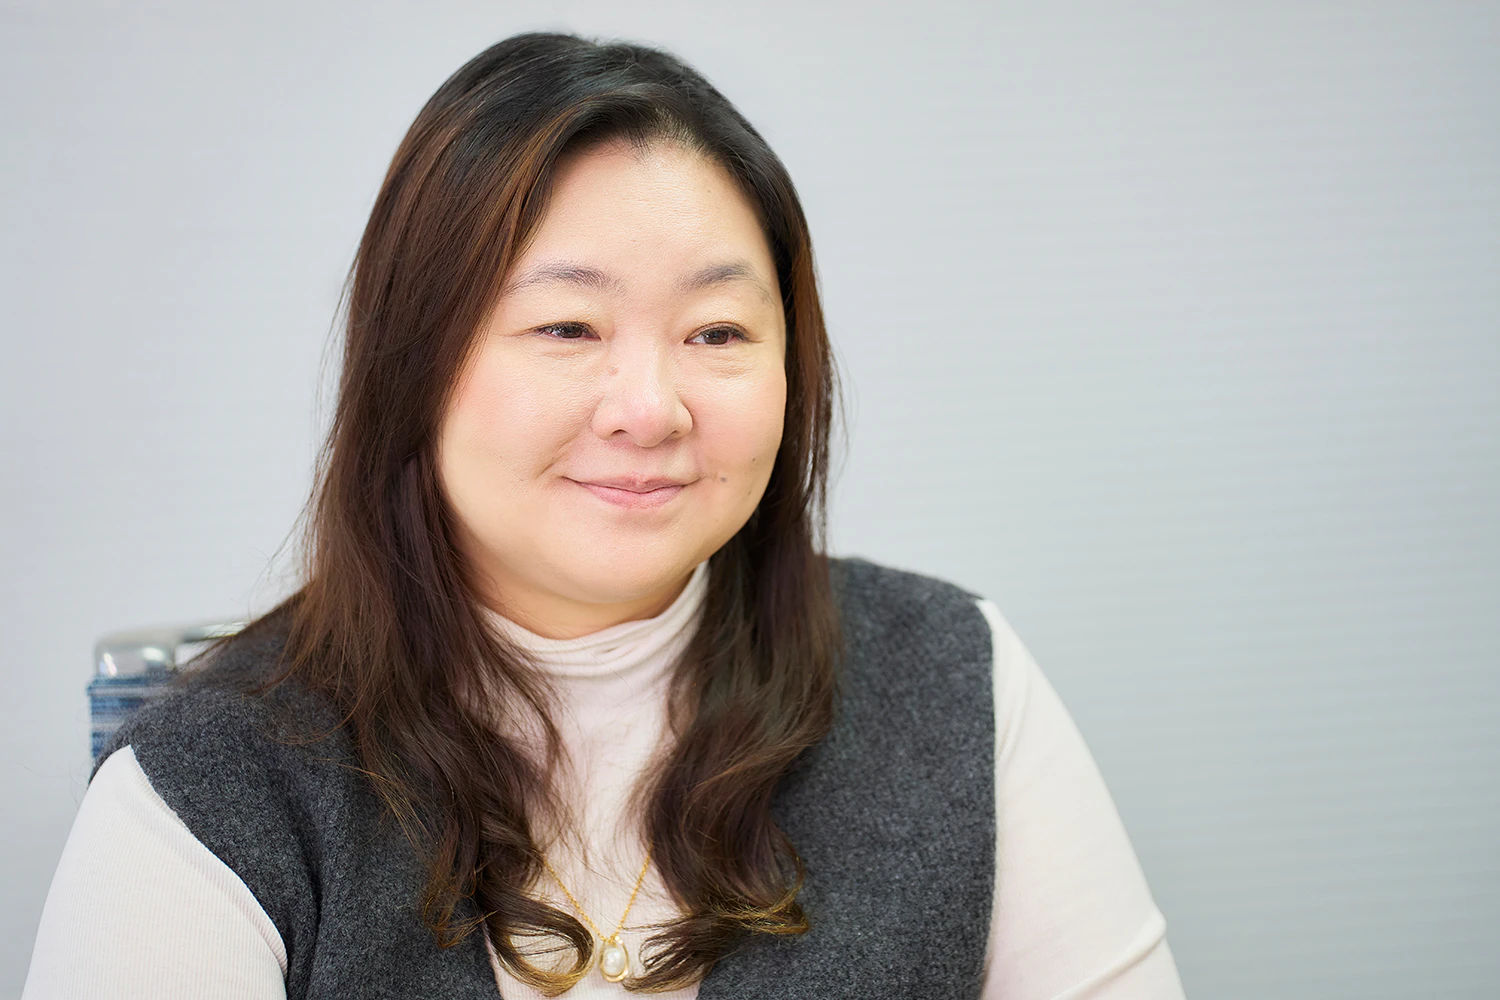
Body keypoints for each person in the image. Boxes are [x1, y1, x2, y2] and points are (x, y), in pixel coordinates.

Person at [23, 31, 1186, 1000]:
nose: (651, 408)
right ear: (412, 365)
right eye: (568, 329)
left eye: (717, 333)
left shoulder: (954, 683)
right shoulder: (210, 788)